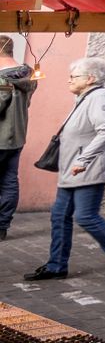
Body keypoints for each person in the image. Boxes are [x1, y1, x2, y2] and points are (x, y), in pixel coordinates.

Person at [23, 58, 105, 283]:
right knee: (59, 215)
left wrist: (84, 160)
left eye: (74, 76)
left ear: (90, 79)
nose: (69, 80)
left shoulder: (99, 98)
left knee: (85, 216)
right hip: (73, 169)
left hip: (88, 169)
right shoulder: (84, 98)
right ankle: (56, 266)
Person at [0, 37, 35, 242]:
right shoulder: (26, 75)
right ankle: (2, 226)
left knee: (8, 182)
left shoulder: (3, 78)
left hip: (1, 138)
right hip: (17, 138)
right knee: (9, 182)